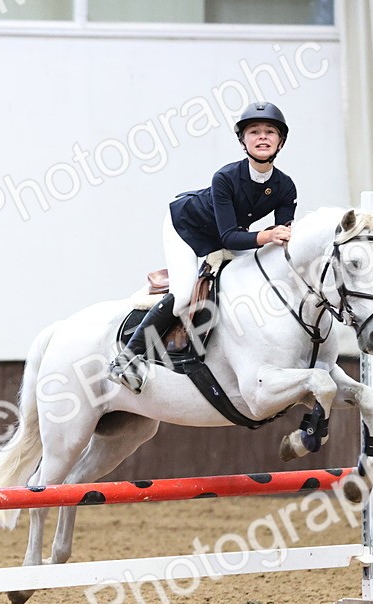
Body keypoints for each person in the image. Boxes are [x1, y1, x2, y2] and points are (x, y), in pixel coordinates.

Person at [108, 101, 298, 394]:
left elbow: (282, 238)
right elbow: (229, 239)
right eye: (254, 131)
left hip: (232, 233)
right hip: (186, 226)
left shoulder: (285, 187)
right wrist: (267, 235)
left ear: (280, 141)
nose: (262, 137)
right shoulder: (225, 177)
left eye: (270, 132)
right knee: (183, 294)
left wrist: (275, 238)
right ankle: (127, 357)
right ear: (243, 141)